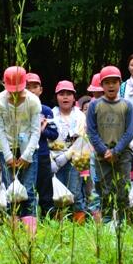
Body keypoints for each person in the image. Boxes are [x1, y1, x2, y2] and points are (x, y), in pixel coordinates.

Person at [0, 66, 41, 234]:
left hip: (29, 150)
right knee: (11, 192)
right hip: (7, 149)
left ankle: (30, 234)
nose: (15, 95)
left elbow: (36, 131)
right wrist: (7, 156)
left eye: (18, 91)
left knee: (28, 191)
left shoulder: (33, 101)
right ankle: (13, 231)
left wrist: (27, 155)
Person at [86, 66, 133, 225]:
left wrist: (116, 151)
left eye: (114, 82)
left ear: (120, 83)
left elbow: (130, 132)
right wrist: (104, 150)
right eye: (107, 82)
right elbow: (91, 131)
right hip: (102, 156)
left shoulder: (127, 105)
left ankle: (123, 223)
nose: (111, 85)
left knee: (123, 189)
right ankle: (107, 223)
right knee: (105, 190)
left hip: (123, 154)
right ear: (102, 85)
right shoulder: (94, 105)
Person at [51, 80, 87, 222]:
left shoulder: (80, 116)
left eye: (69, 94)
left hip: (75, 160)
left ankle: (78, 225)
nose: (65, 97)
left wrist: (67, 155)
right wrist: (51, 159)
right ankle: (58, 225)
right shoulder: (50, 115)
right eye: (61, 94)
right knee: (57, 193)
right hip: (55, 160)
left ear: (74, 97)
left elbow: (82, 139)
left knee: (75, 192)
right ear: (56, 97)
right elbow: (46, 138)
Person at [25, 73, 58, 218]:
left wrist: (42, 130)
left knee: (45, 191)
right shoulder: (19, 109)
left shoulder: (46, 110)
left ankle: (48, 220)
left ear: (41, 90)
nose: (31, 90)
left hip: (42, 154)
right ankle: (28, 219)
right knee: (26, 190)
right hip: (25, 155)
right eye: (28, 87)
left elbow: (54, 134)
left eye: (35, 86)